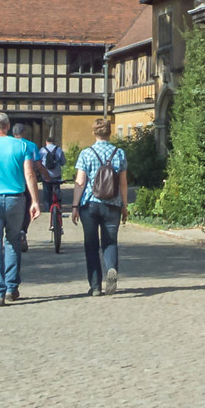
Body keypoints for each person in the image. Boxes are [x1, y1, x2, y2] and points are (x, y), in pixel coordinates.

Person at [0, 113, 41, 305]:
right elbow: (29, 174)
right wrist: (35, 201)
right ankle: (12, 287)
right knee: (13, 241)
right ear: (8, 126)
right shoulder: (22, 146)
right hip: (15, 199)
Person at [71, 117, 128, 297]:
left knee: (91, 245)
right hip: (112, 204)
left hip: (90, 204)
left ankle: (95, 286)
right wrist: (124, 205)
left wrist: (74, 206)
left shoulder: (86, 153)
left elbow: (80, 182)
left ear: (94, 133)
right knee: (110, 242)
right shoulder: (119, 153)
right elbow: (123, 183)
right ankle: (111, 268)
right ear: (110, 133)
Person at [36, 134, 66, 250]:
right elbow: (63, 162)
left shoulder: (42, 150)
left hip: (46, 176)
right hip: (57, 175)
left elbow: (38, 163)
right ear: (54, 141)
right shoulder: (59, 150)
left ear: (46, 142)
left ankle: (48, 208)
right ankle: (59, 206)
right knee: (57, 190)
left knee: (46, 192)